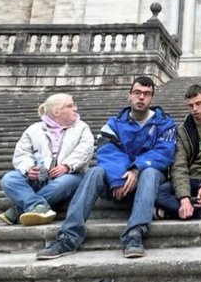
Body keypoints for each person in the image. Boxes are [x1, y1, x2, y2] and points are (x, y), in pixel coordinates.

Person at [37, 75, 176, 260]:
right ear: (129, 95)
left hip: (149, 183)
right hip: (117, 183)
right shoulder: (114, 124)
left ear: (152, 98)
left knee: (150, 172)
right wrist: (117, 177)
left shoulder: (165, 123)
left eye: (146, 94)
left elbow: (164, 153)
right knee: (95, 171)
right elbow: (107, 151)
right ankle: (68, 237)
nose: (141, 97)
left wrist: (136, 169)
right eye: (137, 92)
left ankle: (135, 234)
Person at [0, 93, 94, 226]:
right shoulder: (33, 130)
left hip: (71, 175)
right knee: (9, 179)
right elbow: (22, 153)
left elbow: (85, 150)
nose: (75, 108)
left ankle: (19, 209)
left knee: (63, 183)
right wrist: (28, 169)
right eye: (70, 106)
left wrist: (67, 166)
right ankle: (37, 205)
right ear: (56, 111)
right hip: (40, 178)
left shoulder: (82, 128)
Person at [157, 85, 201, 219]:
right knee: (158, 193)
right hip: (190, 179)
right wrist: (184, 197)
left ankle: (176, 212)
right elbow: (179, 165)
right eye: (190, 105)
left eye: (198, 103)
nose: (195, 109)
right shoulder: (182, 131)